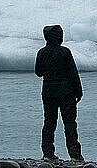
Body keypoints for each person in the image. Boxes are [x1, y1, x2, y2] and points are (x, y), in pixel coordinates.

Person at [35, 25, 84, 163]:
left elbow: (38, 72)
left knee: (49, 123)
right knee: (69, 123)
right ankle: (75, 155)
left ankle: (48, 154)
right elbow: (73, 73)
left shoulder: (41, 52)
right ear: (58, 36)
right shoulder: (64, 52)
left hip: (48, 92)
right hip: (66, 92)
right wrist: (79, 91)